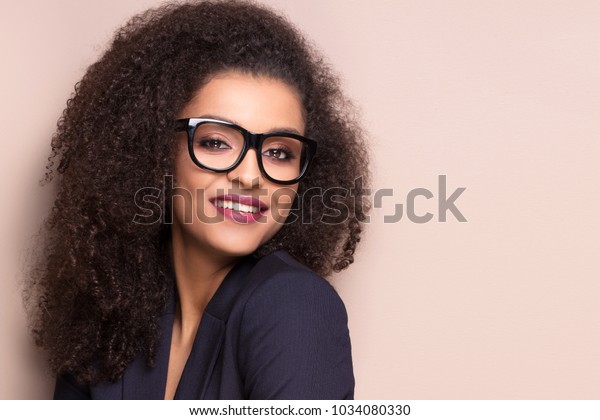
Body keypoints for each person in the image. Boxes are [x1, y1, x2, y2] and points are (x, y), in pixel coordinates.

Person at [26, 0, 370, 400]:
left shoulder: (294, 306)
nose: (249, 175)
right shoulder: (112, 311)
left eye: (279, 152)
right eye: (215, 142)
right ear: (152, 149)